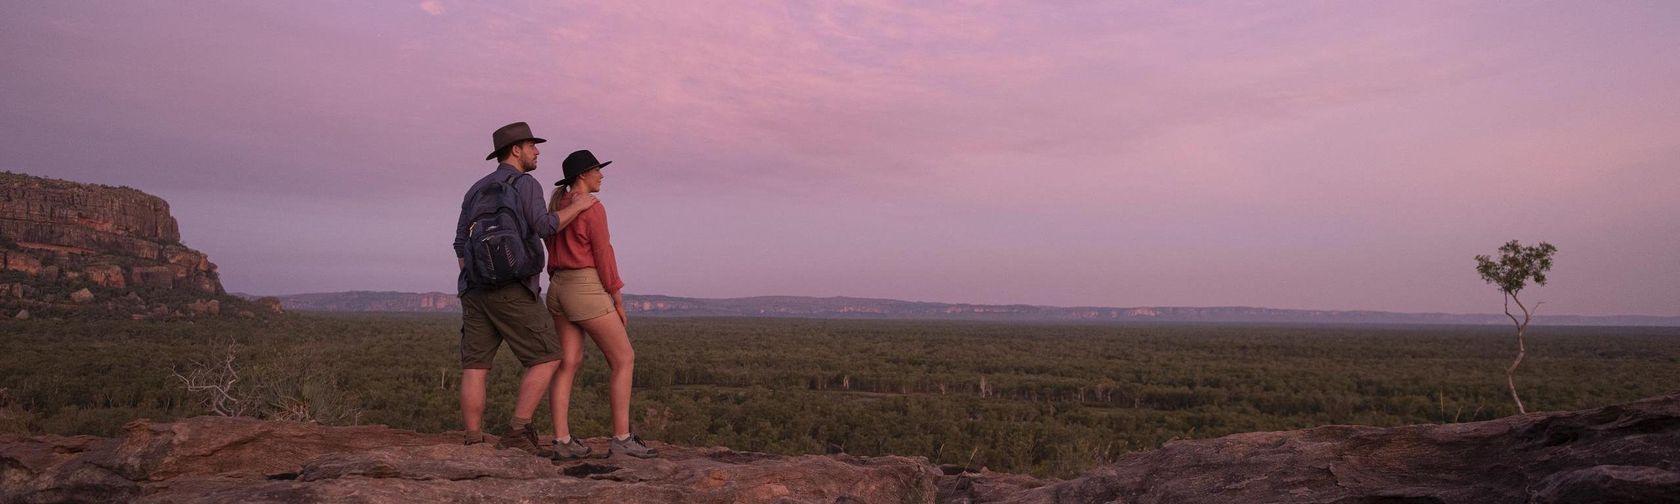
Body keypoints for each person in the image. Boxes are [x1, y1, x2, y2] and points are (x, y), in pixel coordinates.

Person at [453, 122, 597, 453]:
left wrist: (478, 274)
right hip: (513, 288)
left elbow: (460, 243)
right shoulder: (525, 183)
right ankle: (517, 431)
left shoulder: (475, 189)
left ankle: (473, 439)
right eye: (532, 146)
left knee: (476, 365)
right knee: (547, 355)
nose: (537, 151)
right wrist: (577, 206)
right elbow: (545, 225)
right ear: (516, 150)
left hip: (473, 290)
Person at [544, 149, 657, 459]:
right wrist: (617, 299)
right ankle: (622, 439)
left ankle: (562, 441)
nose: (601, 175)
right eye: (596, 170)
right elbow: (604, 255)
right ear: (582, 175)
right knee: (624, 358)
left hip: (556, 289)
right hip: (584, 287)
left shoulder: (557, 205)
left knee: (568, 362)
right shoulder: (592, 207)